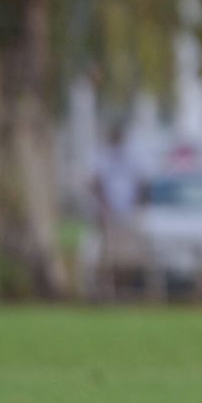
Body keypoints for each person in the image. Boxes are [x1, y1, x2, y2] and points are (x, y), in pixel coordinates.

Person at [87, 123, 146, 300]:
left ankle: (126, 289)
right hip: (108, 215)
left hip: (127, 214)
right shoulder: (102, 156)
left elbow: (140, 182)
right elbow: (94, 182)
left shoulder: (132, 156)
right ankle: (108, 290)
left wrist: (136, 204)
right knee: (108, 254)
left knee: (128, 254)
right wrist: (104, 206)